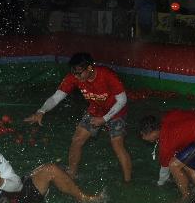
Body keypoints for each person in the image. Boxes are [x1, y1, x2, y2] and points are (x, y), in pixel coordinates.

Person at [25, 52, 133, 182]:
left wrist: (104, 119)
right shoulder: (74, 77)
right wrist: (41, 111)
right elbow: (56, 97)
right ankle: (72, 175)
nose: (76, 76)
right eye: (74, 73)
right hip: (95, 110)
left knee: (117, 145)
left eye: (79, 73)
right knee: (76, 141)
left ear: (89, 68)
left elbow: (122, 100)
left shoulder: (107, 75)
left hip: (116, 111)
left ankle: (128, 182)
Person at [139, 111, 195, 198]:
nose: (143, 138)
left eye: (144, 135)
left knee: (174, 165)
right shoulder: (167, 117)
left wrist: (160, 183)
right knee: (184, 162)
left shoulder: (167, 141)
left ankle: (186, 196)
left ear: (153, 133)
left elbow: (165, 167)